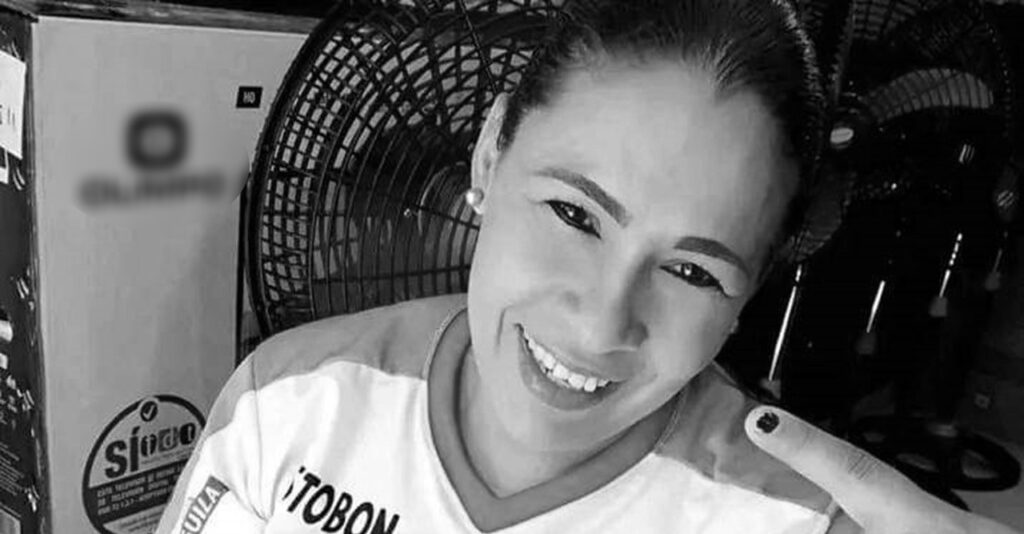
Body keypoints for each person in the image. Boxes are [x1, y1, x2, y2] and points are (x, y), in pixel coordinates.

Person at [156, 0, 1022, 532]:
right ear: (491, 152)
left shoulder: (785, 520)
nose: (603, 322)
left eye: (694, 273)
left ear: (750, 294)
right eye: (575, 215)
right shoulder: (287, 404)